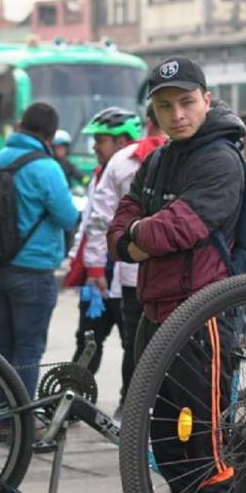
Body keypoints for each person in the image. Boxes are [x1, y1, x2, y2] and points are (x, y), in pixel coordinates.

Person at [107, 55, 245, 493]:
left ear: (206, 100)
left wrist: (137, 235)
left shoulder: (219, 158)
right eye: (165, 106)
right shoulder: (163, 157)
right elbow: (122, 221)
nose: (178, 114)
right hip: (156, 313)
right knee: (166, 444)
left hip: (200, 318)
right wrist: (135, 237)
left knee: (201, 447)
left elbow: (180, 227)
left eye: (187, 103)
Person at [0, 103, 79, 407]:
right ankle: (21, 423)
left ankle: (4, 418)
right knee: (27, 350)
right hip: (33, 271)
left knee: (4, 346)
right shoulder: (46, 167)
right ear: (50, 135)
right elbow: (67, 217)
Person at [82, 104, 166, 418]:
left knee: (136, 344)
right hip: (174, 276)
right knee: (174, 345)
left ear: (147, 122)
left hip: (134, 272)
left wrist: (94, 265)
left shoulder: (122, 161)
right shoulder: (189, 156)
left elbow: (99, 220)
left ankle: (132, 412)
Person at [66, 107, 142, 393]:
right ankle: (67, 405)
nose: (95, 146)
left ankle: (130, 408)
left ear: (122, 141)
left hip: (126, 278)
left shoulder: (137, 171)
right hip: (96, 280)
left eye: (101, 140)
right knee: (86, 343)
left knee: (133, 348)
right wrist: (84, 263)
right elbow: (89, 224)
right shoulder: (99, 175)